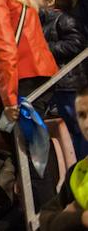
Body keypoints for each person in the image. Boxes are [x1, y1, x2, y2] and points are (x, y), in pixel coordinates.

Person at [37, 0, 88, 158]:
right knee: (71, 128)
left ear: (50, 1)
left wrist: (45, 47)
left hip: (71, 82)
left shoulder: (65, 19)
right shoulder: (45, 22)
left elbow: (77, 43)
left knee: (79, 127)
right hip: (58, 83)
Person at [39, 87, 88, 229]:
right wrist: (80, 217)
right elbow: (46, 218)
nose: (86, 124)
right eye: (82, 115)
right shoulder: (77, 171)